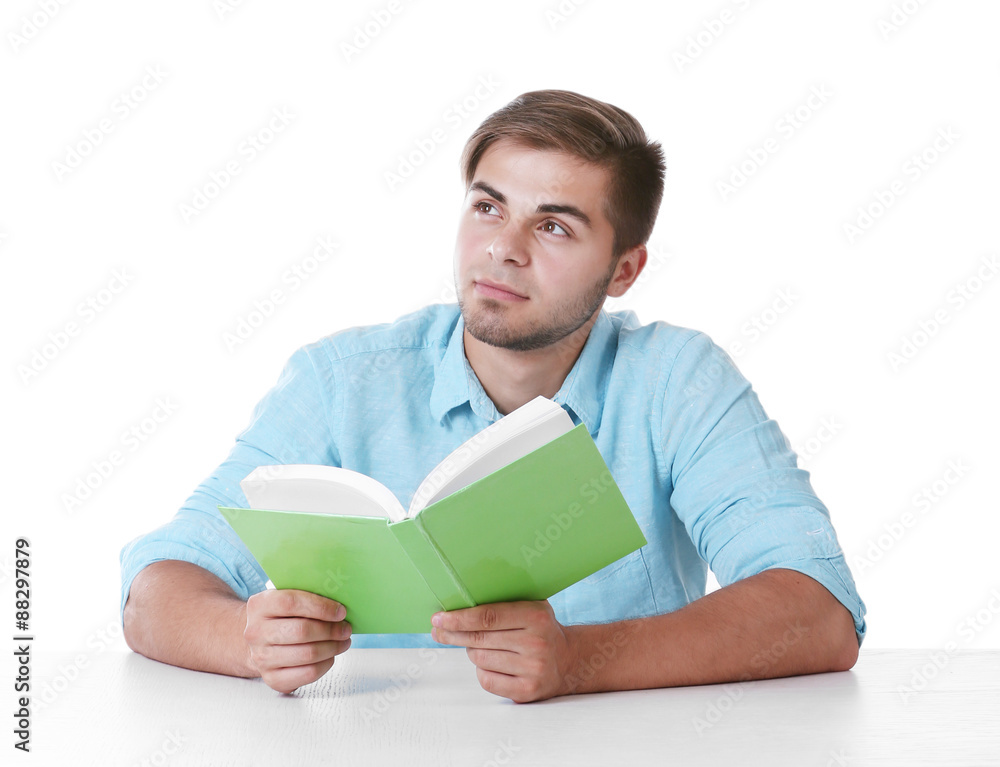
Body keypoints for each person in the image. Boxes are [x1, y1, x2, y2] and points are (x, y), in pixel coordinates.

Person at [121, 89, 867, 704]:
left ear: (623, 270)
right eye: (487, 207)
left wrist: (578, 659)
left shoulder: (678, 379)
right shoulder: (345, 378)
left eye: (553, 225)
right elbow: (156, 589)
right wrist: (247, 637)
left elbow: (821, 611)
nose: (503, 248)